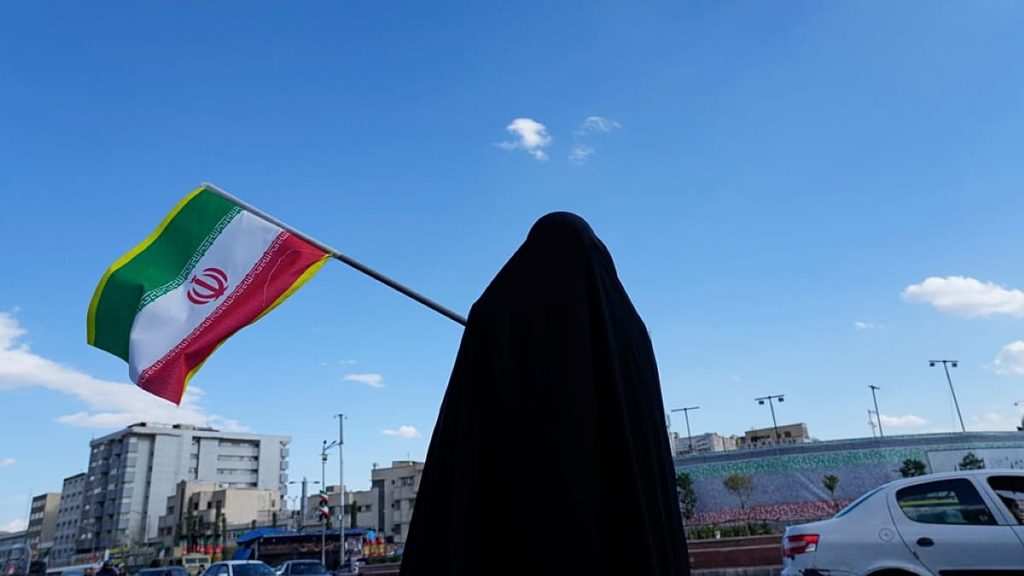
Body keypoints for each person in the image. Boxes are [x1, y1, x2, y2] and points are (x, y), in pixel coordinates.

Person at [400, 212, 690, 575]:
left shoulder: (496, 316)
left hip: (514, 535)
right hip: (621, 536)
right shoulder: (629, 334)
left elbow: (466, 442)